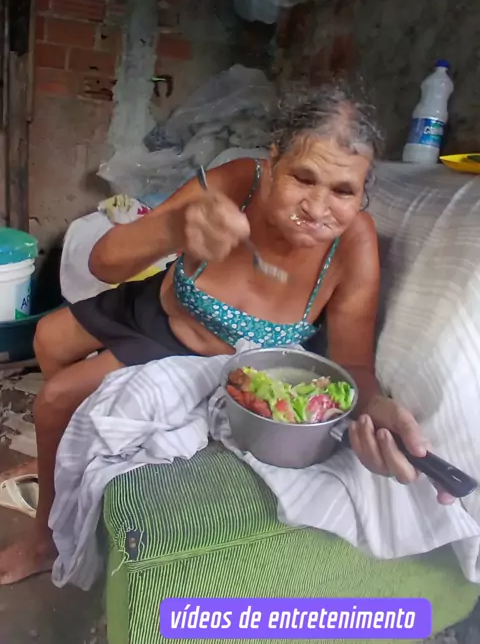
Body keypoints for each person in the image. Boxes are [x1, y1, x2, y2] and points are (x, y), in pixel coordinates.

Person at [0, 78, 455, 586]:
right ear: (274, 160)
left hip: (188, 351)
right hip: (157, 302)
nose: (317, 207)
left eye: (343, 190)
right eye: (303, 178)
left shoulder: (352, 244)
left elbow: (352, 366)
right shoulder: (239, 183)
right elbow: (103, 264)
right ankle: (62, 459)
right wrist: (175, 227)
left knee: (56, 399)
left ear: (362, 189)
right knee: (48, 338)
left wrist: (375, 410)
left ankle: (45, 539)